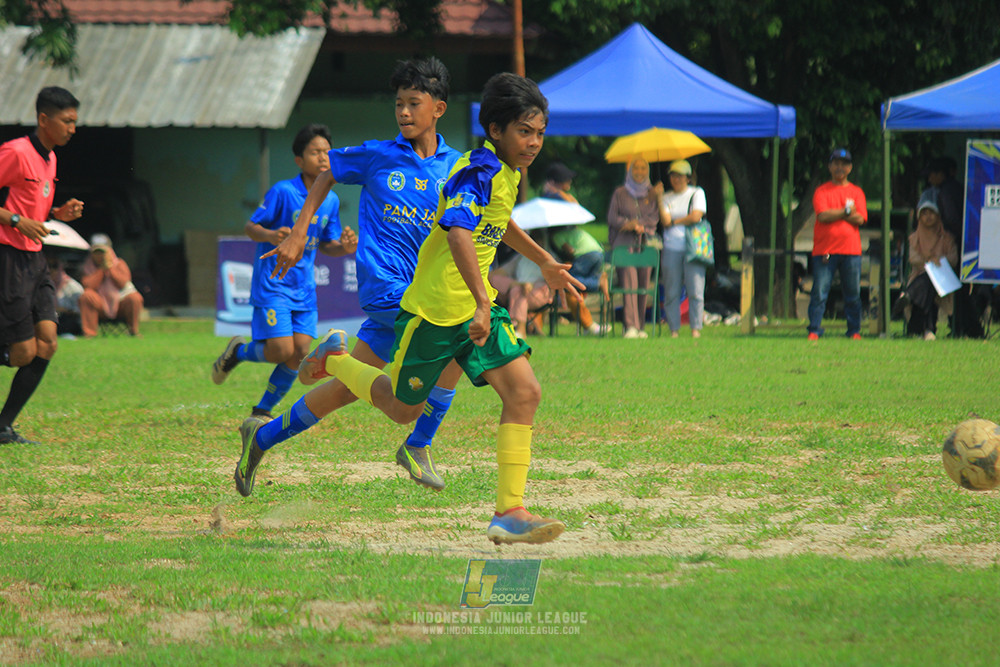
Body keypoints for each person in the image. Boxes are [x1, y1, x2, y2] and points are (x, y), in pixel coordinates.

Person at [238, 72, 580, 545]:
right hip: (425, 306)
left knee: (524, 393)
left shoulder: (486, 168)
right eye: (526, 131)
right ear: (496, 130)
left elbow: (495, 223)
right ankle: (375, 401)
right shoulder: (470, 169)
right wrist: (299, 233)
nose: (536, 142)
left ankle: (508, 510)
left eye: (540, 133)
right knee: (400, 407)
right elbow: (459, 230)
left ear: (439, 108)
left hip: (467, 306)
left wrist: (543, 261)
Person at [230, 58, 464, 490]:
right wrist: (299, 232)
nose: (405, 112)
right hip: (389, 288)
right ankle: (418, 443)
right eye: (399, 104)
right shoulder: (378, 155)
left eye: (415, 103)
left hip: (420, 292)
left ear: (440, 109)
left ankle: (260, 436)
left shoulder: (455, 167)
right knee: (457, 334)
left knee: (343, 391)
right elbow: (327, 172)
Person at [210, 124, 356, 419]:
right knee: (279, 350)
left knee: (301, 351)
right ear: (299, 160)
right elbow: (251, 227)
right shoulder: (283, 191)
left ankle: (262, 410)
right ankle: (237, 352)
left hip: (304, 288)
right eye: (315, 152)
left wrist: (345, 247)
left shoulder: (331, 200)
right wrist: (271, 235)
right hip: (273, 283)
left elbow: (328, 245)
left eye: (327, 151)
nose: (323, 157)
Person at [0, 87, 84, 445]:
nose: (72, 129)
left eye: (75, 122)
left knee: (48, 342)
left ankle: (3, 427)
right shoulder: (15, 152)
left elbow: (29, 204)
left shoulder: (49, 158)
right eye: (67, 121)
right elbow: (15, 213)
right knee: (22, 353)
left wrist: (55, 214)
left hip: (35, 259)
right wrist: (18, 221)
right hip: (8, 257)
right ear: (43, 119)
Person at [807, 148, 868, 340]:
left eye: (844, 164)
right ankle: (814, 329)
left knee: (852, 293)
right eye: (836, 163)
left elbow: (860, 219)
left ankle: (854, 330)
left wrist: (841, 213)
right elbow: (823, 215)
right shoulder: (822, 191)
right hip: (825, 250)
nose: (839, 167)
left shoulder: (856, 192)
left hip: (851, 250)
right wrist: (846, 212)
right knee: (819, 292)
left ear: (850, 168)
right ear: (829, 166)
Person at [607, 157, 666, 338]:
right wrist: (628, 223)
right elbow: (612, 218)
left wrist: (641, 224)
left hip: (645, 245)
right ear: (630, 171)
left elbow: (655, 219)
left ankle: (640, 326)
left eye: (643, 168)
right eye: (636, 169)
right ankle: (629, 325)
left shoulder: (652, 193)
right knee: (629, 283)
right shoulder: (620, 193)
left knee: (642, 285)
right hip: (625, 245)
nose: (639, 172)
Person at [659, 159, 708, 338]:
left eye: (680, 176)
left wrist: (674, 221)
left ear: (688, 178)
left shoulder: (697, 193)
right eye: (673, 175)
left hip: (692, 247)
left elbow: (696, 216)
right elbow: (664, 221)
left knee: (695, 288)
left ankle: (695, 328)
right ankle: (674, 329)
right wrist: (658, 197)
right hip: (671, 247)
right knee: (671, 290)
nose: (676, 179)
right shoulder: (665, 197)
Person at [904, 196, 958, 340]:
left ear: (938, 215)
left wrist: (939, 261)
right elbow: (913, 258)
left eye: (931, 213)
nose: (928, 217)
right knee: (928, 284)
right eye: (924, 213)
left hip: (943, 279)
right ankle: (928, 329)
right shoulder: (914, 238)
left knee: (928, 283)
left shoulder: (946, 237)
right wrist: (929, 262)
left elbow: (953, 258)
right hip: (919, 275)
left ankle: (909, 296)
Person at [79, 234, 145, 337]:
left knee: (135, 298)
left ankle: (134, 331)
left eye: (102, 252)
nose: (100, 256)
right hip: (100, 305)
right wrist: (101, 270)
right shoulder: (86, 267)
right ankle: (89, 333)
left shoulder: (120, 264)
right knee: (87, 296)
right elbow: (88, 285)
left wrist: (110, 268)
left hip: (119, 303)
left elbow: (123, 283)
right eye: (96, 253)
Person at [490, 253, 551, 337]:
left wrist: (532, 284)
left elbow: (551, 279)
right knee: (494, 279)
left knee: (518, 290)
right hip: (515, 288)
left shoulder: (550, 257)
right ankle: (516, 284)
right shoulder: (520, 256)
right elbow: (503, 271)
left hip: (540, 291)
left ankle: (520, 328)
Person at [48, 256, 84, 336]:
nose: (51, 270)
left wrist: (64, 310)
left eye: (54, 266)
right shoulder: (41, 286)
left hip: (68, 322)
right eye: (48, 266)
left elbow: (80, 312)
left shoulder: (73, 287)